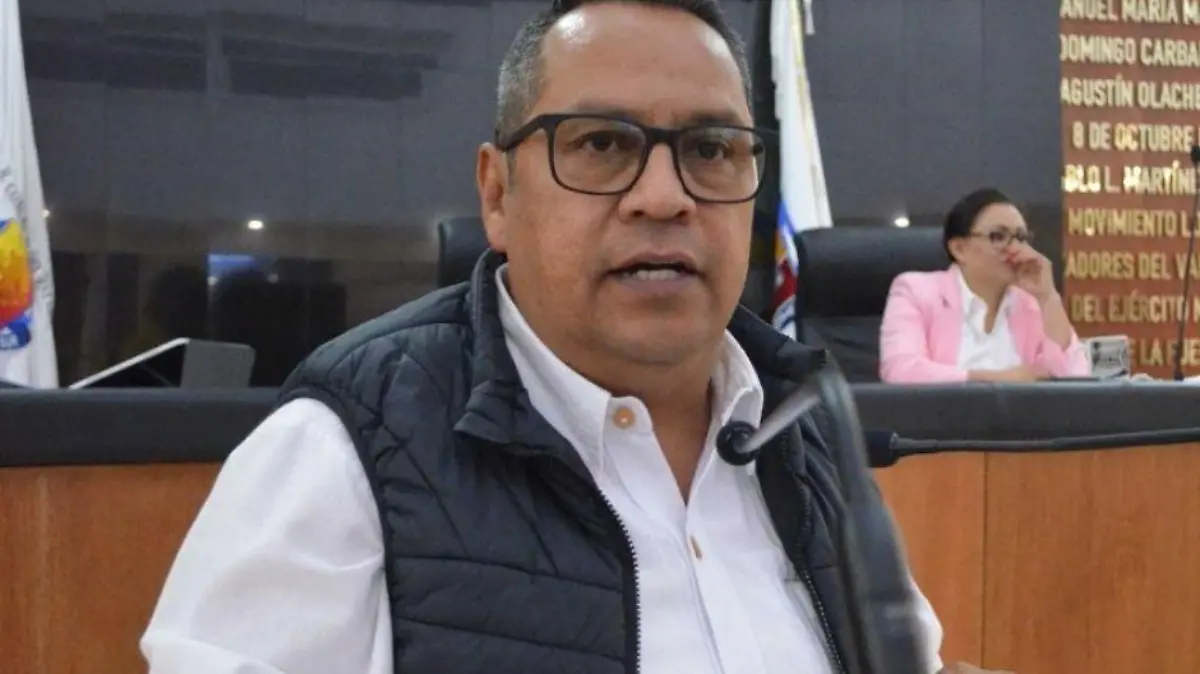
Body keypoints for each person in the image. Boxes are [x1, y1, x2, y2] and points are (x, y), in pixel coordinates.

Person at [141, 1, 1002, 672]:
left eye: (711, 149)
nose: (664, 196)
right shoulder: (347, 447)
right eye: (601, 143)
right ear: (497, 195)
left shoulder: (804, 433)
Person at [879, 188, 1089, 384]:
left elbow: (1074, 377)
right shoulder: (915, 291)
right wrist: (1001, 380)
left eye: (1020, 237)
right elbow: (901, 370)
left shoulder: (1031, 304)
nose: (1015, 248)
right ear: (959, 249)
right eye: (998, 236)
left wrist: (1048, 297)